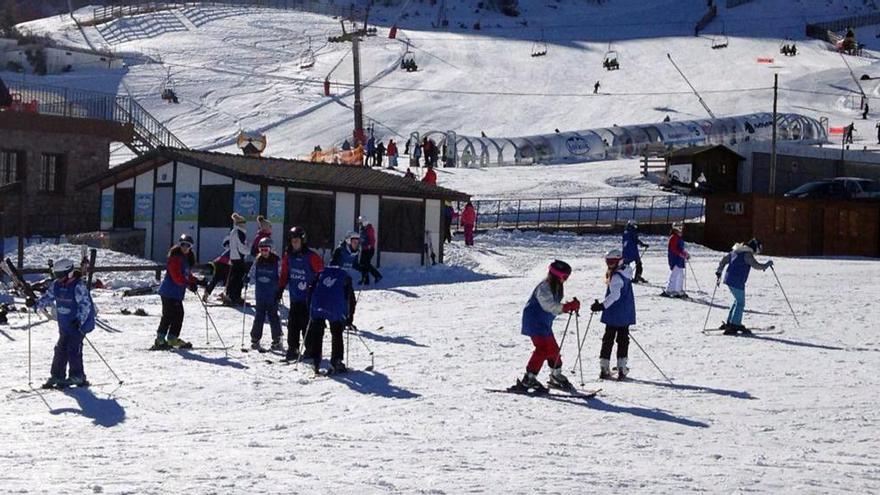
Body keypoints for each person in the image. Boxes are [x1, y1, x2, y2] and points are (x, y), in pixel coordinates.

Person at [30, 259, 96, 388]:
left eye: (60, 276)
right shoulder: (57, 285)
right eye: (56, 275)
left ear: (69, 273)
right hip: (65, 323)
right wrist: (35, 304)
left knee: (73, 348)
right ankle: (57, 375)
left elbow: (85, 304)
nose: (58, 278)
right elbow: (48, 297)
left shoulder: (78, 286)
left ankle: (78, 376)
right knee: (60, 349)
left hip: (78, 324)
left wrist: (79, 319)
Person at [517, 260, 580, 391]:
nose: (566, 280)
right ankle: (529, 378)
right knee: (542, 349)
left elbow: (554, 306)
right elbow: (549, 306)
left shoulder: (556, 286)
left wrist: (568, 306)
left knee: (553, 349)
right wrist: (566, 307)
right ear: (557, 275)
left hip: (544, 323)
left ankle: (556, 375)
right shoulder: (544, 287)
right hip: (534, 322)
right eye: (565, 277)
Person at [590, 249, 636, 380]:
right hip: (625, 313)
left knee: (608, 339)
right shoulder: (626, 272)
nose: (610, 265)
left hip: (614, 312)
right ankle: (621, 367)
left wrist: (601, 305)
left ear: (619, 261)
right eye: (608, 262)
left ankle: (604, 367)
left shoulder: (616, 277)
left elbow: (615, 295)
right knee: (622, 339)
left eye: (612, 262)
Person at [279, 226, 324, 360]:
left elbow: (321, 273)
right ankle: (293, 348)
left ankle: (310, 349)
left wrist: (318, 288)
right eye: (292, 241)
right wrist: (280, 288)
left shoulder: (311, 256)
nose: (295, 243)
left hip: (308, 298)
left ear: (303, 241)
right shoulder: (289, 256)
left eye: (297, 241)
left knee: (306, 324)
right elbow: (285, 274)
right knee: (292, 324)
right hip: (295, 297)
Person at [714, 238, 773, 335]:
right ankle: (734, 325)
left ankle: (730, 322)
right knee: (740, 303)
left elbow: (724, 260)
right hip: (737, 281)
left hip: (729, 279)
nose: (758, 252)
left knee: (737, 301)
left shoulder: (736, 251)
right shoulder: (747, 254)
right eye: (759, 249)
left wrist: (719, 270)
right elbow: (756, 265)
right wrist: (766, 265)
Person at [304, 263, 354, 374]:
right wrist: (349, 317)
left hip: (318, 305)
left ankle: (315, 361)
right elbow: (350, 300)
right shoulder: (345, 277)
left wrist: (310, 310)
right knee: (336, 332)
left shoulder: (321, 273)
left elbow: (310, 290)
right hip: (335, 308)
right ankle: (336, 361)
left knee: (317, 331)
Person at [153, 235, 201, 350]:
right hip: (169, 292)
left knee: (177, 315)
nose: (185, 247)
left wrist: (197, 281)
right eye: (183, 245)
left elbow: (186, 275)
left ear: (191, 247)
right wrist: (189, 284)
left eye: (188, 245)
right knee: (170, 315)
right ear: (179, 245)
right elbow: (177, 277)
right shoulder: (175, 258)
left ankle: (171, 338)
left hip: (176, 293)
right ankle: (162, 339)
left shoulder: (186, 258)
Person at [246, 238, 284, 351]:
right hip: (260, 294)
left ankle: (277, 339)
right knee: (259, 317)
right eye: (261, 250)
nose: (263, 252)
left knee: (273, 316)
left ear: (271, 250)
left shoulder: (276, 261)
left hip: (272, 294)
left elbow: (281, 275)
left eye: (266, 250)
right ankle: (255, 339)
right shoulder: (258, 261)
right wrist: (247, 278)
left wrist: (280, 289)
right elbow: (252, 273)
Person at [224, 213, 249, 305]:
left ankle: (230, 295)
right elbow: (241, 247)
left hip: (234, 257)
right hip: (239, 258)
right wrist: (249, 251)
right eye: (244, 223)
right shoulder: (240, 233)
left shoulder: (233, 231)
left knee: (233, 277)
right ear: (240, 223)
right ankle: (235, 296)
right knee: (239, 279)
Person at [663, 223, 689, 298]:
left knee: (680, 275)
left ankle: (678, 290)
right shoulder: (674, 237)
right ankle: (669, 290)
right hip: (675, 259)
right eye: (680, 228)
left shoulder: (678, 237)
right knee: (675, 274)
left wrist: (685, 254)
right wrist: (681, 254)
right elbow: (673, 249)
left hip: (679, 259)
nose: (682, 230)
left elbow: (680, 248)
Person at [357, 218, 382, 285]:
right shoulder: (362, 229)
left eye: (361, 223)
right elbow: (361, 238)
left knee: (366, 264)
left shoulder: (369, 229)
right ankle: (365, 279)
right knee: (362, 264)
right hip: (364, 249)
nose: (360, 224)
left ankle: (377, 276)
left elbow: (372, 239)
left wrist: (370, 245)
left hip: (369, 249)